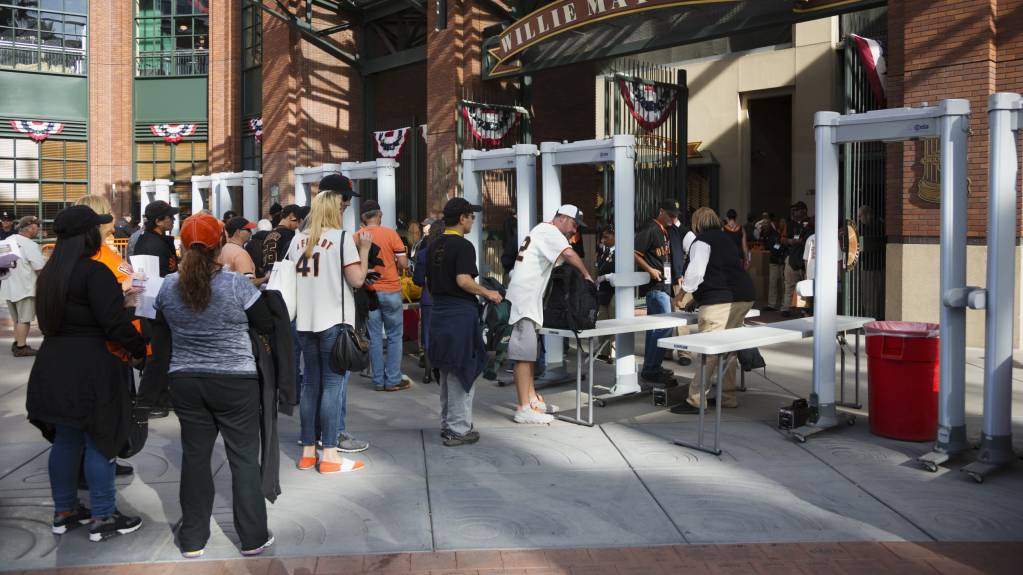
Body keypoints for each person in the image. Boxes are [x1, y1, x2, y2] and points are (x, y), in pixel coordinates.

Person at [153, 213, 275, 557]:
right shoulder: (235, 284)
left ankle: (193, 538)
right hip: (235, 380)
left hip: (186, 379)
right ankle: (252, 537)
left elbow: (160, 326)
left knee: (194, 458)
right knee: (243, 459)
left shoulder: (167, 285)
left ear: (181, 244)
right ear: (219, 243)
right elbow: (264, 322)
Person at [26, 205, 146, 542]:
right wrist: (140, 348)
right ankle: (103, 516)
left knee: (66, 441)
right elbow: (114, 325)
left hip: (53, 364)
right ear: (86, 234)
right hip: (93, 366)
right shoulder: (94, 273)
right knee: (100, 440)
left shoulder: (50, 273)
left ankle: (64, 511)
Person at [289, 179, 373, 471]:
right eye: (344, 201)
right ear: (336, 205)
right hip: (334, 322)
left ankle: (308, 451)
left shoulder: (297, 239)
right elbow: (358, 280)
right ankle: (330, 456)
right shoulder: (341, 238)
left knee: (310, 386)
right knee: (333, 387)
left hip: (305, 322)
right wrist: (363, 249)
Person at [505, 205, 592, 424]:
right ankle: (523, 407)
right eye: (573, 224)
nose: (574, 231)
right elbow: (569, 253)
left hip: (528, 300)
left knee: (530, 355)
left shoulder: (542, 231)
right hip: (525, 301)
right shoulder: (550, 231)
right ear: (562, 218)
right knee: (524, 356)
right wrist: (586, 274)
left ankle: (532, 399)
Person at [427, 198, 502, 446]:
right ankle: (459, 429)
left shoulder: (434, 244)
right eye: (471, 216)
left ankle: (449, 424)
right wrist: (488, 292)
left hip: (438, 314)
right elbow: (463, 280)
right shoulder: (463, 246)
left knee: (448, 369)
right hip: (459, 314)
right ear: (462, 218)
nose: (472, 220)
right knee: (462, 369)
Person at [671, 207, 755, 414]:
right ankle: (727, 396)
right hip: (744, 297)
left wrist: (682, 296)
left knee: (707, 352)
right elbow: (720, 270)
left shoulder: (701, 241)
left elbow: (696, 273)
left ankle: (695, 400)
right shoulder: (726, 238)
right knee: (729, 349)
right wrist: (697, 300)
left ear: (697, 223)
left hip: (720, 301)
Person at [354, 200, 410, 392]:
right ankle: (393, 378)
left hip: (369, 293)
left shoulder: (357, 236)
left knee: (374, 337)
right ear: (379, 215)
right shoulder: (391, 234)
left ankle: (378, 380)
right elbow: (403, 264)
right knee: (395, 335)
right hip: (391, 290)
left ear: (363, 217)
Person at [633, 200, 681, 386]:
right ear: (661, 211)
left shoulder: (664, 231)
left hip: (664, 285)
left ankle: (652, 366)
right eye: (671, 215)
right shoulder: (651, 228)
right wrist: (650, 270)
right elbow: (634, 252)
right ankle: (651, 369)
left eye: (675, 215)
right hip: (655, 287)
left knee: (657, 328)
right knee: (663, 327)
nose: (674, 218)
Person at [1, 215, 44, 356]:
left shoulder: (7, 241)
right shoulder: (30, 245)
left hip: (9, 288)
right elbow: (39, 268)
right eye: (37, 227)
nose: (38, 230)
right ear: (31, 228)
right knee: (24, 320)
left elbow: (3, 266)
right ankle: (21, 347)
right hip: (25, 288)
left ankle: (17, 342)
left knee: (17, 320)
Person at [134, 200, 180, 277]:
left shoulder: (149, 238)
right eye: (170, 217)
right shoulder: (155, 244)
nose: (174, 219)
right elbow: (161, 276)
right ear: (158, 221)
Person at [782, 201, 811, 317]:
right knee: (789, 284)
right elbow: (782, 239)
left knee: (805, 285)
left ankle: (804, 309)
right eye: (794, 210)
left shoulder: (811, 223)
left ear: (804, 210)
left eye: (797, 210)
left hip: (806, 258)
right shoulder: (789, 224)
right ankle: (786, 308)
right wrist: (791, 241)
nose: (794, 212)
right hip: (792, 257)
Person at [220, 216, 265, 287]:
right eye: (248, 229)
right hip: (240, 297)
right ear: (238, 232)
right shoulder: (240, 253)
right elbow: (248, 283)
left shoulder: (225, 248)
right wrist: (265, 278)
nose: (251, 232)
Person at [594, 226, 616, 363]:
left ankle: (613, 352)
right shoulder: (603, 252)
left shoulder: (619, 252)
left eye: (607, 237)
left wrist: (606, 277)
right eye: (603, 237)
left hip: (614, 290)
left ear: (614, 237)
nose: (603, 240)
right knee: (603, 320)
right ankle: (603, 351)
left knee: (613, 320)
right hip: (603, 290)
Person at [261, 204, 302, 273]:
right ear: (291, 216)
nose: (298, 225)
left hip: (268, 277)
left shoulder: (269, 234)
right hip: (282, 276)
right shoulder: (290, 234)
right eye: (298, 221)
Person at [759, 214, 786, 311]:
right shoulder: (763, 233)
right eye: (763, 223)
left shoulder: (775, 234)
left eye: (766, 223)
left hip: (780, 261)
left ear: (770, 224)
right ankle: (771, 304)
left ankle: (784, 304)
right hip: (773, 261)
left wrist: (774, 250)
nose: (764, 224)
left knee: (783, 284)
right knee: (772, 283)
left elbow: (778, 245)